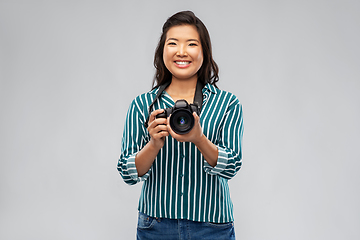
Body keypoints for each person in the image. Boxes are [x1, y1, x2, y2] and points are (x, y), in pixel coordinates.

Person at [117, 10, 243, 240]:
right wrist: (154, 144)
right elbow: (127, 172)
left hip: (212, 226)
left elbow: (232, 166)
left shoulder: (227, 103)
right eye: (173, 43)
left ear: (204, 51)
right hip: (156, 226)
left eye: (192, 44)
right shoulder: (143, 104)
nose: (182, 52)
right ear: (162, 51)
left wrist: (199, 139)